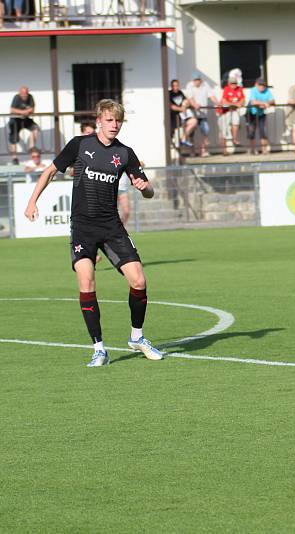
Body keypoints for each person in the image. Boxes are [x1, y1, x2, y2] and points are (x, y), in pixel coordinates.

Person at [23, 99, 164, 367]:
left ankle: (137, 337)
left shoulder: (125, 154)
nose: (114, 125)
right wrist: (32, 202)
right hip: (83, 228)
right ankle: (99, 348)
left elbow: (149, 192)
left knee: (139, 281)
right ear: (99, 120)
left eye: (118, 121)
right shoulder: (80, 144)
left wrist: (144, 187)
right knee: (87, 282)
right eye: (110, 120)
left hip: (111, 227)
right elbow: (51, 171)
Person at [184, 71, 216, 157]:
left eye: (198, 80)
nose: (196, 82)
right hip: (193, 114)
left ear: (200, 80)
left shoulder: (205, 85)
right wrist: (195, 104)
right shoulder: (189, 85)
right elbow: (190, 98)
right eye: (195, 80)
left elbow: (211, 95)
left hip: (203, 114)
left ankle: (203, 151)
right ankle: (192, 151)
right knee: (191, 134)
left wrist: (217, 102)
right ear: (192, 80)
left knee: (205, 131)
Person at [9, 86, 40, 165]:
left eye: (25, 94)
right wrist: (23, 112)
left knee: (35, 129)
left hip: (26, 120)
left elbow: (32, 109)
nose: (24, 95)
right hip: (15, 121)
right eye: (22, 94)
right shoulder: (16, 97)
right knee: (14, 139)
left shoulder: (30, 97)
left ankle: (31, 147)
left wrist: (24, 112)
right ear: (19, 93)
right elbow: (12, 109)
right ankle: (14, 158)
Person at [217, 74, 245, 154]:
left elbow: (242, 100)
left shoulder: (239, 89)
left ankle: (234, 139)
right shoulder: (226, 89)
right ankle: (224, 150)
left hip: (233, 110)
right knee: (224, 131)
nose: (234, 85)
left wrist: (236, 104)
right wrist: (236, 104)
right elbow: (224, 101)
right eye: (232, 83)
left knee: (236, 122)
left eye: (235, 83)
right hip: (224, 112)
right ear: (229, 83)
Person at [246, 77, 275, 154]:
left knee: (263, 131)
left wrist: (268, 103)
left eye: (263, 85)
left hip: (261, 114)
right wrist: (263, 103)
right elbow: (253, 102)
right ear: (256, 85)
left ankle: (264, 150)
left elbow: (272, 100)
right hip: (251, 113)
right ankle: (253, 150)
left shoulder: (267, 90)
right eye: (260, 85)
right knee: (251, 131)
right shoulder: (253, 90)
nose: (261, 87)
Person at [168, 79, 194, 148]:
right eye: (174, 86)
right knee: (173, 139)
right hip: (173, 119)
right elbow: (170, 106)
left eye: (177, 85)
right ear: (171, 86)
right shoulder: (169, 93)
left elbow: (186, 101)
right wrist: (181, 109)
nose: (175, 87)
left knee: (194, 121)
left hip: (181, 118)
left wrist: (185, 105)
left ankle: (183, 139)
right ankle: (177, 156)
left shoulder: (180, 92)